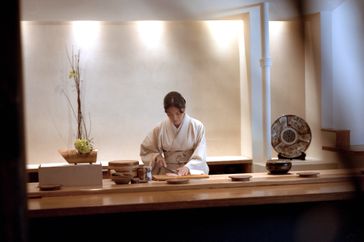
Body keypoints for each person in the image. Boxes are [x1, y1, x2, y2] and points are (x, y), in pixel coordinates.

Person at [140, 91, 209, 176]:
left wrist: (188, 167)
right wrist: (157, 157)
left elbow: (200, 153)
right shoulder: (160, 128)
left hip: (190, 173)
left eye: (178, 113)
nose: (175, 118)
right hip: (167, 172)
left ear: (184, 109)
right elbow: (146, 149)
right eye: (170, 115)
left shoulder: (197, 126)